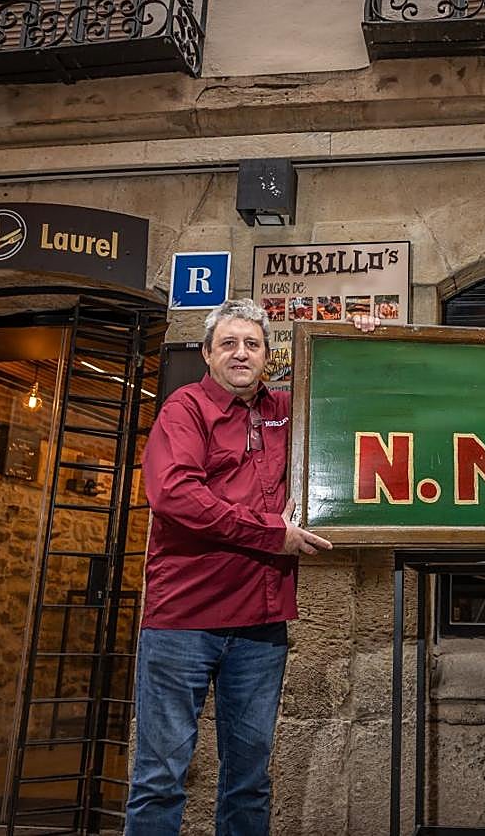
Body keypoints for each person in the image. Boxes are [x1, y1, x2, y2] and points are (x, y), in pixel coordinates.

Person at [126, 298, 376, 835]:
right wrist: (271, 534)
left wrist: (363, 340)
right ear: (207, 353)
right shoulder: (184, 410)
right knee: (160, 778)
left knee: (250, 780)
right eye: (229, 343)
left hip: (261, 627)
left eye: (252, 344)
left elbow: (356, 403)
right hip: (183, 623)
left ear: (267, 355)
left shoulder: (286, 408)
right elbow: (174, 495)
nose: (241, 353)